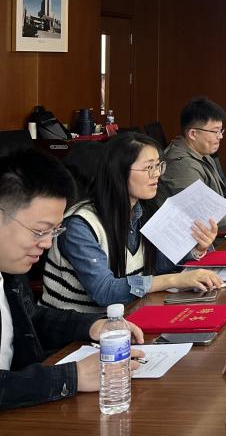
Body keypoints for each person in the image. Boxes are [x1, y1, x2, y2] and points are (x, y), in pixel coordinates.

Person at [0, 149, 146, 411]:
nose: (47, 243)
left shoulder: (10, 272)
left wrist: (93, 326)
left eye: (54, 231)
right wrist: (71, 376)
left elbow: (31, 320)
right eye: (39, 231)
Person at [42, 132, 222, 312]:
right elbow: (104, 291)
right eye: (148, 167)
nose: (157, 174)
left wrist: (196, 249)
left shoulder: (143, 210)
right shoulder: (80, 224)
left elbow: (157, 266)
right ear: (119, 171)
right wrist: (174, 280)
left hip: (127, 316)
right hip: (78, 325)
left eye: (158, 165)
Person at [160, 96, 226, 233]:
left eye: (221, 131)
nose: (220, 136)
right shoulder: (181, 165)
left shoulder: (202, 153)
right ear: (193, 134)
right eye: (215, 131)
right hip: (203, 239)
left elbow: (216, 201)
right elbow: (201, 216)